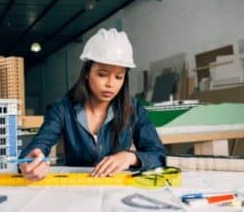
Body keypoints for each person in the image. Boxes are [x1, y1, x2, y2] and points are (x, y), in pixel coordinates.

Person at [19, 28, 166, 181]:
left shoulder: (134, 109)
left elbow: (158, 155)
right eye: (102, 74)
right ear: (87, 73)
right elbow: (38, 145)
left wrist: (130, 158)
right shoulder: (62, 109)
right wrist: (32, 161)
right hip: (76, 191)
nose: (110, 84)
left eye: (118, 77)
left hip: (117, 191)